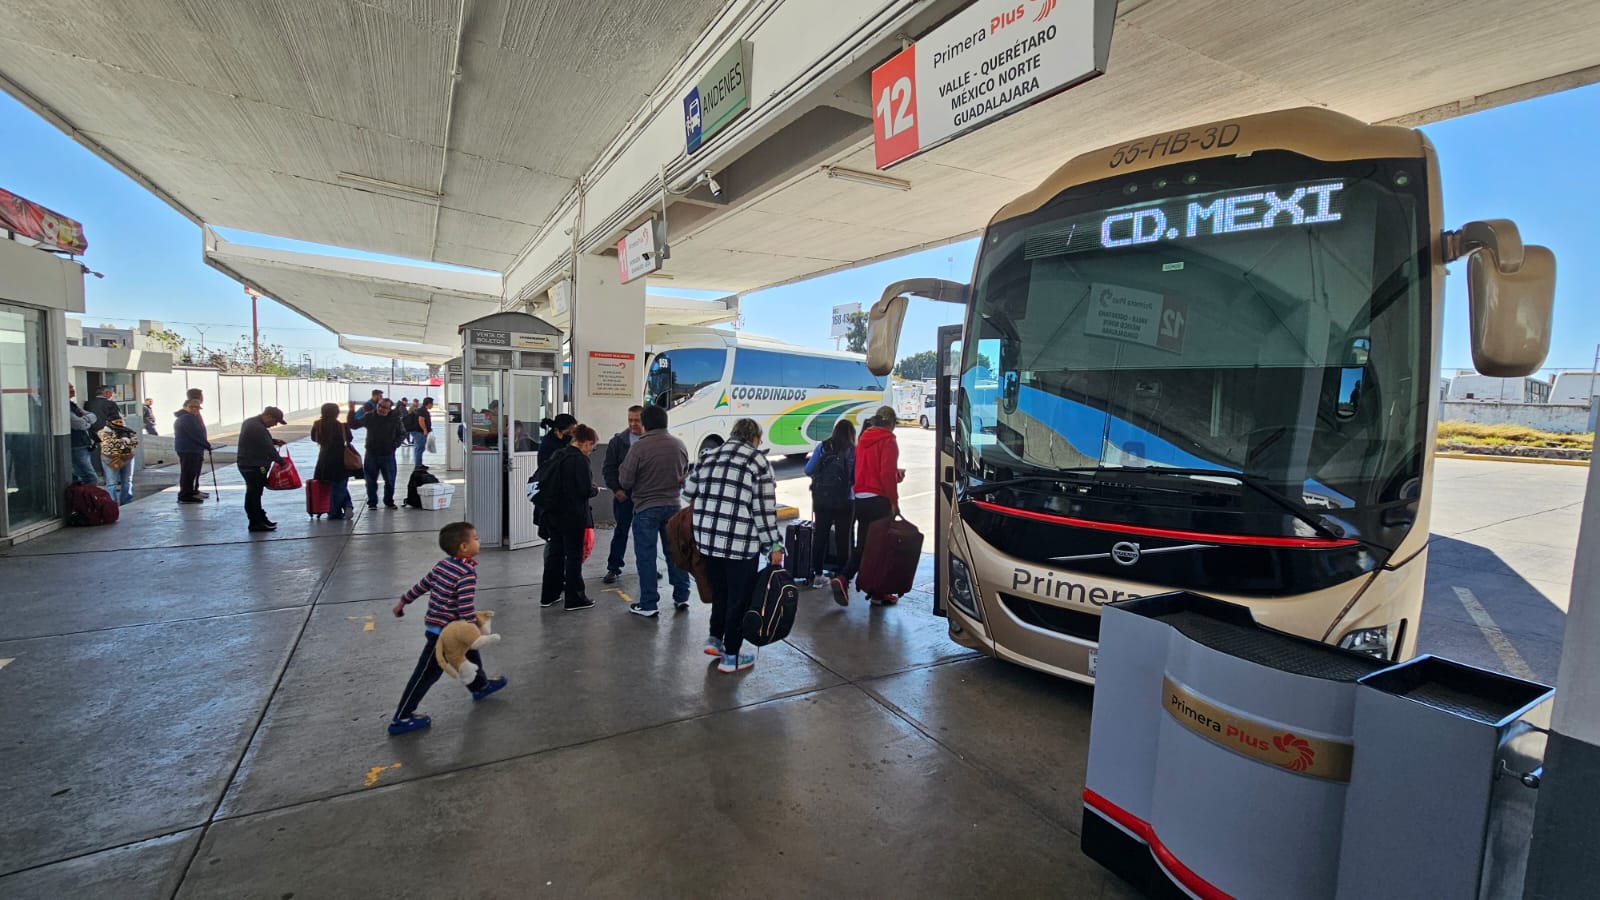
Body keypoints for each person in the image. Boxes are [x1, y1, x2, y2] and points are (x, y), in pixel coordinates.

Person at [683, 417, 784, 673]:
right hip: (739, 544)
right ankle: (731, 657)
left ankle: (715, 639)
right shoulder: (758, 461)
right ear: (755, 439)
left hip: (707, 540)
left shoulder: (710, 454)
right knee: (739, 599)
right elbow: (764, 511)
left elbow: (688, 491)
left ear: (732, 434)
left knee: (720, 592)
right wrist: (774, 546)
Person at [388, 521, 507, 735]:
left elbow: (422, 585)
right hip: (445, 635)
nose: (479, 541)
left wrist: (403, 602)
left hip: (438, 626)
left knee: (470, 653)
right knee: (426, 674)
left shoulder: (443, 565)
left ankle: (479, 686)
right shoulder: (466, 574)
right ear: (464, 547)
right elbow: (464, 607)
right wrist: (472, 628)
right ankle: (402, 717)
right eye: (476, 538)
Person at [618, 405, 691, 616]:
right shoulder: (679, 445)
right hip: (674, 507)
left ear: (645, 424)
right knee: (676, 553)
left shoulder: (639, 448)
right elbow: (685, 474)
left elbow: (625, 480)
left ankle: (649, 604)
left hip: (646, 508)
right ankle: (682, 596)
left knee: (647, 556)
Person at [833, 406, 905, 606]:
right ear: (890, 423)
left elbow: (867, 470)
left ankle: (844, 578)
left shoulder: (864, 439)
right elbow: (884, 474)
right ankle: (878, 592)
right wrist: (894, 501)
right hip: (879, 501)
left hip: (861, 499)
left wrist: (893, 475)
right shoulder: (889, 441)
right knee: (881, 549)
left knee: (864, 545)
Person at [537, 424, 600, 611]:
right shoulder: (579, 460)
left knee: (555, 555)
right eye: (593, 447)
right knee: (573, 557)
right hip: (573, 516)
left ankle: (549, 595)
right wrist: (594, 490)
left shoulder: (559, 455)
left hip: (553, 514)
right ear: (587, 443)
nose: (591, 451)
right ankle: (575, 598)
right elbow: (584, 490)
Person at [805, 418, 857, 589]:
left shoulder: (823, 446)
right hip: (845, 500)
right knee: (844, 538)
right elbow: (855, 477)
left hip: (822, 499)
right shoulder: (853, 451)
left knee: (820, 535)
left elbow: (808, 469)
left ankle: (817, 573)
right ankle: (841, 577)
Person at [601, 405, 645, 584]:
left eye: (637, 420)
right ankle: (613, 567)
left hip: (646, 495)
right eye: (630, 420)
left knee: (645, 533)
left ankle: (647, 567)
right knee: (621, 531)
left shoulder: (652, 440)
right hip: (624, 495)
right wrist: (616, 489)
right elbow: (608, 468)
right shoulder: (618, 441)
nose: (633, 424)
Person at [237, 406, 287, 532]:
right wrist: (281, 462)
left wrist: (274, 441)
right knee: (254, 494)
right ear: (268, 416)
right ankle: (255, 522)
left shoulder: (252, 423)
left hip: (249, 463)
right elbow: (266, 447)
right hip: (254, 466)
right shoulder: (256, 427)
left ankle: (260, 518)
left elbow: (260, 441)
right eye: (275, 421)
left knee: (254, 493)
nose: (274, 425)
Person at [351, 396, 407, 509]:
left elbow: (402, 433)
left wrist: (394, 445)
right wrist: (351, 411)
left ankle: (389, 501)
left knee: (390, 480)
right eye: (379, 406)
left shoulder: (395, 419)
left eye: (384, 407)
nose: (381, 409)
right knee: (370, 481)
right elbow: (354, 425)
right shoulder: (369, 416)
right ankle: (372, 502)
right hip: (371, 454)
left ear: (389, 409)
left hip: (388, 454)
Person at [311, 402, 355, 520]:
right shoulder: (342, 426)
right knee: (340, 485)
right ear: (337, 413)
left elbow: (313, 438)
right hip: (340, 459)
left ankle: (344, 507)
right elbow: (349, 439)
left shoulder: (317, 425)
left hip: (324, 459)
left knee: (330, 485)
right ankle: (337, 510)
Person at [173, 396, 211, 503]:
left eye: (198, 407)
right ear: (185, 407)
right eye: (192, 407)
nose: (195, 409)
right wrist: (206, 444)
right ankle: (186, 495)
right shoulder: (186, 418)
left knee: (193, 472)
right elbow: (194, 434)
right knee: (188, 473)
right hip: (188, 450)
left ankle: (193, 491)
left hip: (193, 449)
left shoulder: (191, 417)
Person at [100, 414, 140, 505]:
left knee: (127, 481)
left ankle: (126, 501)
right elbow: (110, 444)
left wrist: (123, 442)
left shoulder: (128, 431)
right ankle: (112, 503)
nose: (119, 423)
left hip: (127, 458)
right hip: (111, 459)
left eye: (120, 421)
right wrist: (126, 441)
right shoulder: (105, 432)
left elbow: (135, 442)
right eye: (116, 422)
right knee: (111, 482)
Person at [84, 386, 120, 482]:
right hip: (108, 432)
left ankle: (99, 475)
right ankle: (113, 477)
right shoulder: (110, 404)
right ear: (107, 393)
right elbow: (116, 420)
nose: (112, 395)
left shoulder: (88, 404)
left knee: (96, 455)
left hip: (93, 433)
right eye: (111, 393)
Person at [67, 385, 97, 484]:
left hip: (83, 444)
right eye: (70, 388)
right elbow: (78, 424)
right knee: (89, 477)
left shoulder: (72, 404)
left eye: (72, 387)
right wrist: (87, 421)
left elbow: (93, 416)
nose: (73, 390)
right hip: (76, 445)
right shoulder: (65, 406)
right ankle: (89, 498)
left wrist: (85, 419)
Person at [408, 397, 435, 467]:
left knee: (420, 448)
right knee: (419, 448)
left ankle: (419, 464)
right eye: (432, 404)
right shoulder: (422, 411)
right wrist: (425, 430)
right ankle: (418, 465)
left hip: (419, 431)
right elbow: (421, 420)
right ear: (428, 404)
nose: (432, 405)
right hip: (418, 432)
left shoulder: (423, 410)